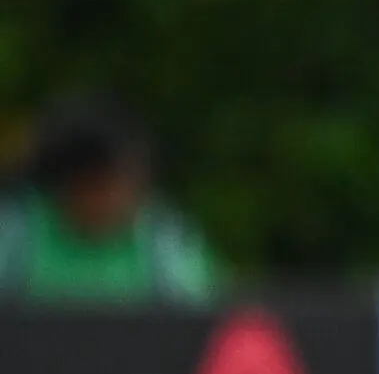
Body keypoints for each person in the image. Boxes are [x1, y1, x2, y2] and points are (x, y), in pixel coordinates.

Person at [0, 97, 222, 303]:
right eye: (107, 182)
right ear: (70, 181)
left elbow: (207, 319)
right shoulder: (18, 233)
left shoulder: (162, 240)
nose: (122, 195)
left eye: (133, 180)